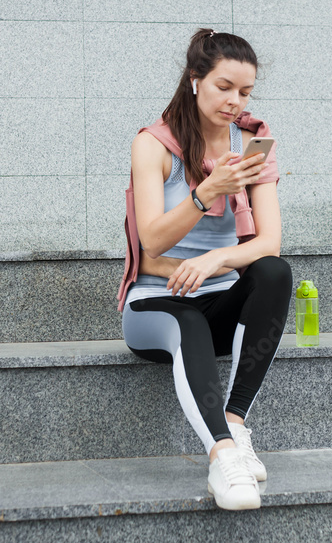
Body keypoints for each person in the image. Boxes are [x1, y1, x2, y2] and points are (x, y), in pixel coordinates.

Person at [117, 28, 292, 511]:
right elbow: (151, 240)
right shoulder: (154, 144)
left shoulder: (255, 142)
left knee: (274, 272)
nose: (235, 101)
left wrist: (214, 259)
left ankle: (235, 424)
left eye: (246, 92)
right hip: (155, 305)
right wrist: (208, 191)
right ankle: (222, 458)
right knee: (187, 318)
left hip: (220, 298)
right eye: (224, 87)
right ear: (195, 80)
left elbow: (269, 242)